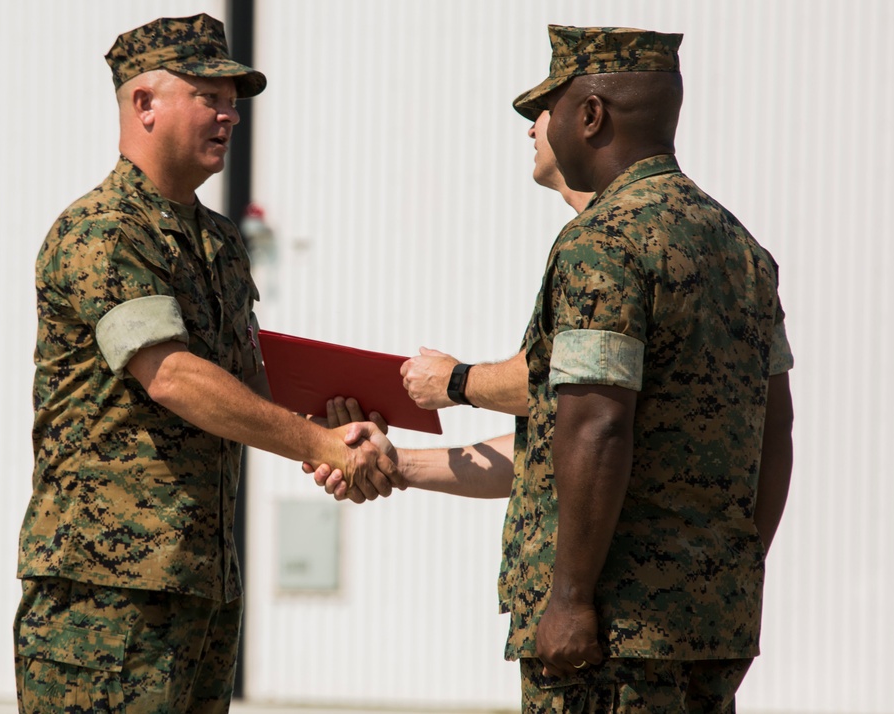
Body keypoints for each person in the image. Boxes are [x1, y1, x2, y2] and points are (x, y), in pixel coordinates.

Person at [319, 25, 794, 714]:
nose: (539, 127)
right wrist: (738, 584)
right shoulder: (741, 250)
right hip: (708, 623)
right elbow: (771, 432)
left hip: (613, 630)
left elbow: (597, 425)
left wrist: (568, 599)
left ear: (591, 116)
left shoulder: (603, 242)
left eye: (554, 108)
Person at [13, 14, 397, 713]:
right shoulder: (104, 229)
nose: (230, 115)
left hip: (200, 582)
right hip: (108, 597)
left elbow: (243, 377)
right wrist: (316, 444)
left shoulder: (217, 240)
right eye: (209, 96)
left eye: (234, 100)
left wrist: (342, 415)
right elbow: (173, 377)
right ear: (145, 104)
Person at [400, 108, 592, 416]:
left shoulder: (600, 238)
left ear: (591, 116)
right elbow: (550, 429)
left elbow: (567, 390)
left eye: (545, 111)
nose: (531, 131)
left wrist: (454, 380)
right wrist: (402, 464)